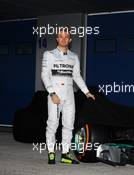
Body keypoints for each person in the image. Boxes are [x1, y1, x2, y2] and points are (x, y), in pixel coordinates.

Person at [41, 29, 95, 164]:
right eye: (61, 36)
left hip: (69, 96)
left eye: (66, 37)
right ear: (57, 39)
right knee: (52, 125)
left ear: (70, 40)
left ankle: (65, 154)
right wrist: (52, 93)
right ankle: (51, 153)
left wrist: (86, 92)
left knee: (69, 125)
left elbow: (77, 76)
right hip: (55, 95)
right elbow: (44, 75)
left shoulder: (74, 57)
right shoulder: (49, 54)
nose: (63, 39)